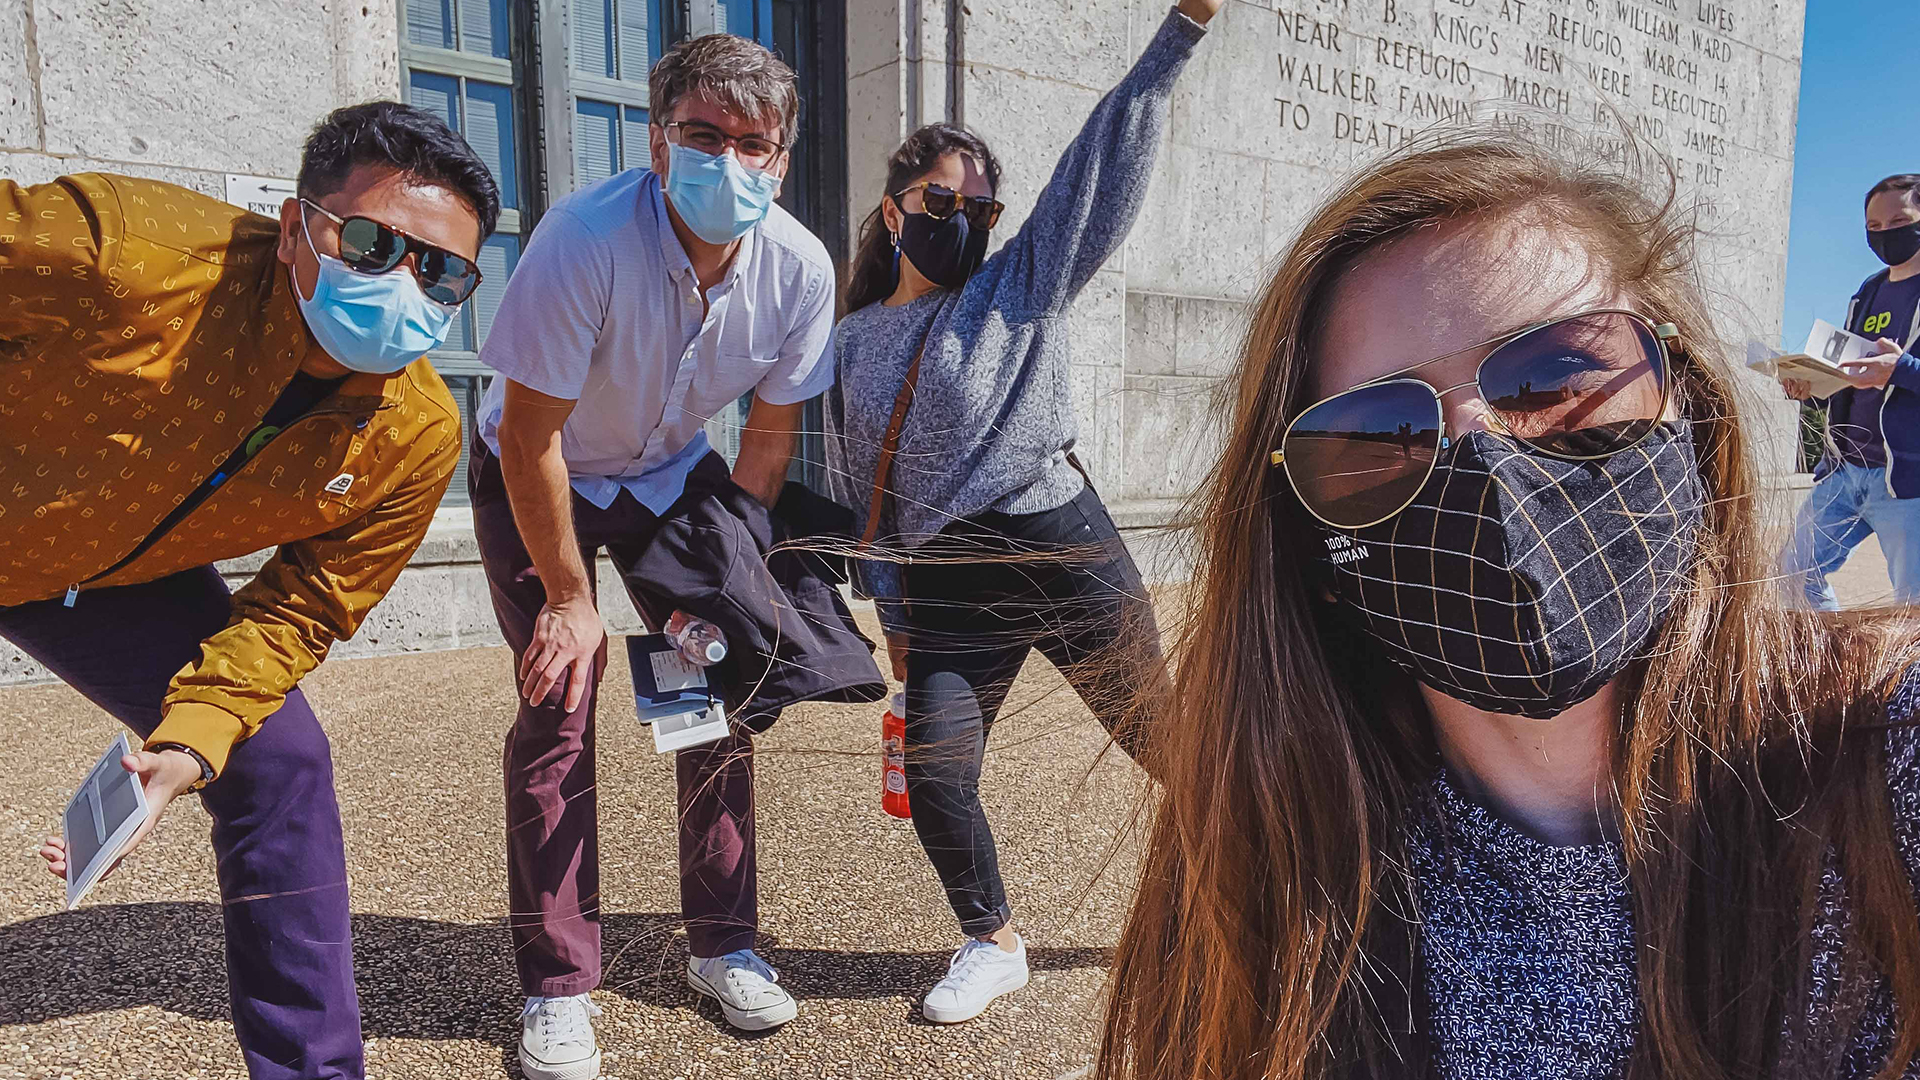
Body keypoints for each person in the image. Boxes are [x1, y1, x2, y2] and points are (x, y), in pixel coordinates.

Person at [1096, 134, 1920, 1079]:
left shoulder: (1888, 743)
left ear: (1689, 411)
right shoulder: (1273, 863)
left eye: (1564, 378)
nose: (1486, 461)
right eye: (1374, 436)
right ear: (1305, 537)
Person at [5, 102, 496, 1079]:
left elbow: (301, 609)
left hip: (104, 582)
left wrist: (189, 744)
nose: (406, 283)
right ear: (294, 229)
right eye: (371, 242)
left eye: (441, 270)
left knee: (278, 758)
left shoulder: (417, 435)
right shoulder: (122, 256)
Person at [471, 32, 883, 1080]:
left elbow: (771, 435)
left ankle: (722, 943)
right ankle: (559, 985)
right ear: (659, 143)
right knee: (561, 699)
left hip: (669, 477)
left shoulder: (798, 267)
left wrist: (722, 577)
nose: (728, 162)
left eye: (754, 143)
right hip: (539, 465)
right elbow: (530, 438)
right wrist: (570, 598)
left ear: (782, 157)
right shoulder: (583, 239)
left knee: (719, 695)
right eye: (703, 135)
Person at [825, 0, 1220, 1026]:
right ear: (894, 206)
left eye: (981, 208)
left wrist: (1179, 30)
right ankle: (992, 940)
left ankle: (1259, 881)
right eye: (941, 198)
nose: (962, 219)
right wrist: (895, 619)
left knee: (1169, 747)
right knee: (937, 773)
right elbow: (873, 498)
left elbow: (1099, 168)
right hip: (951, 585)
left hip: (1064, 554)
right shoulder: (853, 342)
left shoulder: (1018, 289)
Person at [1780, 173, 1920, 609]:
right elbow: (1850, 375)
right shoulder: (1868, 293)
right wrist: (1814, 387)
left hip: (1908, 481)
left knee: (1912, 610)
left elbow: (1894, 372)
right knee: (1793, 579)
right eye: (1874, 228)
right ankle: (1834, 674)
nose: (1885, 234)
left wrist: (1901, 369)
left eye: (1899, 221)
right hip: (1845, 471)